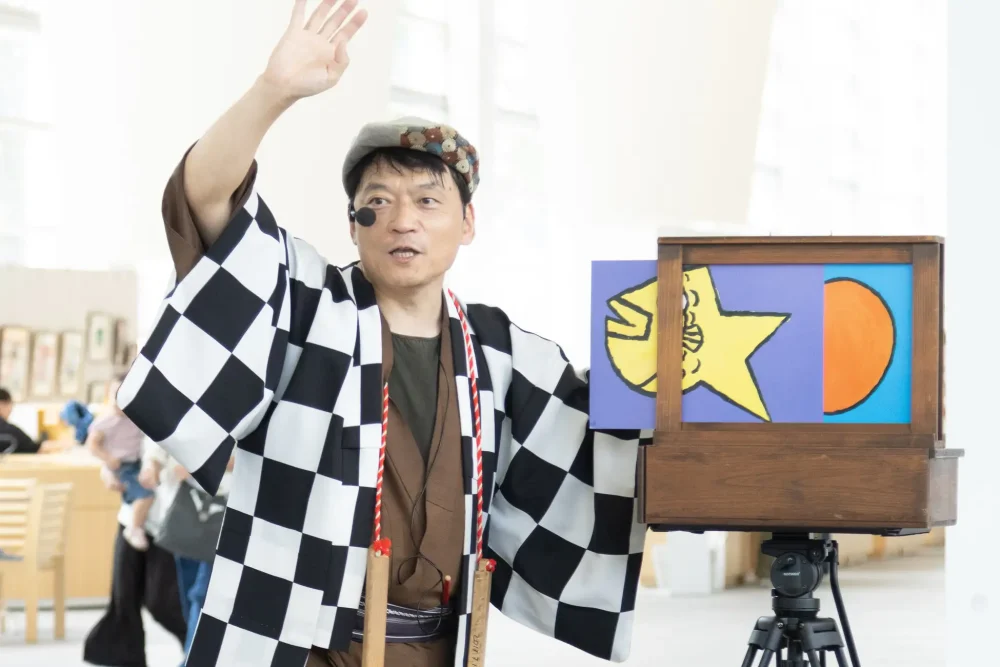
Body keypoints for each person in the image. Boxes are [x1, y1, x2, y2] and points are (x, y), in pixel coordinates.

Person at [116, 2, 650, 666]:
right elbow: (205, 199)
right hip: (302, 646)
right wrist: (272, 91)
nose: (402, 220)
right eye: (379, 201)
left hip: (438, 646)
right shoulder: (309, 307)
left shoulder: (500, 352)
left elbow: (607, 427)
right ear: (353, 224)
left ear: (467, 223)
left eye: (427, 200)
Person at [83, 458, 188, 667]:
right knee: (124, 599)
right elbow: (120, 453)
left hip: (168, 524)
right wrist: (108, 472)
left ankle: (201, 648)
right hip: (131, 521)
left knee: (163, 603)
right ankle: (127, 662)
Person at [139, 441, 235, 666]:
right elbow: (159, 440)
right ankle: (195, 654)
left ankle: (192, 660)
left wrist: (202, 466)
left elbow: (255, 455)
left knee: (201, 593)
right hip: (185, 508)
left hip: (228, 511)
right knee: (187, 592)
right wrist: (152, 465)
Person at [87, 375, 156, 551]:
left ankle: (135, 527)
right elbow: (92, 445)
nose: (119, 401)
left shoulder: (138, 419)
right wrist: (108, 460)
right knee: (145, 495)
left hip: (136, 464)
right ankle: (135, 528)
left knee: (143, 494)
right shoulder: (106, 421)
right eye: (115, 395)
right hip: (122, 466)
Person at [0, 387, 40, 454]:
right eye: (11, 405)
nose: (10, 410)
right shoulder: (12, 432)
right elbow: (37, 448)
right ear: (2, 404)